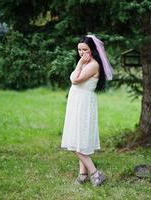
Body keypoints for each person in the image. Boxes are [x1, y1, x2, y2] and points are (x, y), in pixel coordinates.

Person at [61, 35, 113, 186]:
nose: (81, 52)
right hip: (77, 102)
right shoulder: (85, 62)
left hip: (83, 104)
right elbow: (73, 77)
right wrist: (80, 63)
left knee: (74, 140)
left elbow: (75, 80)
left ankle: (95, 173)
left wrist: (79, 64)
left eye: (85, 49)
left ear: (93, 50)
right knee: (79, 138)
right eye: (79, 49)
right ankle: (83, 174)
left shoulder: (92, 65)